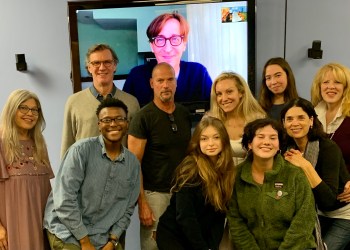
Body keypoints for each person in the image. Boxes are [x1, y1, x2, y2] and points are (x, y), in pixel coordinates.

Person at [44, 98, 140, 249]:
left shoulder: (133, 164)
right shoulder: (80, 151)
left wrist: (113, 241)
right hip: (67, 231)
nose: (113, 124)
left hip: (103, 235)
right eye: (107, 120)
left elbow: (127, 209)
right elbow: (64, 201)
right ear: (99, 125)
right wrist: (85, 241)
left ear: (127, 124)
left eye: (119, 119)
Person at [127, 62, 192, 250]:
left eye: (170, 79)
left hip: (181, 194)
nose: (165, 85)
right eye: (160, 80)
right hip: (154, 196)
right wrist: (143, 204)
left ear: (176, 83)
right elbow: (133, 165)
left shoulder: (183, 114)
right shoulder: (143, 117)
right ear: (151, 83)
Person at [227, 118, 317, 249]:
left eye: (273, 138)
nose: (267, 142)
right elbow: (236, 222)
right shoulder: (236, 176)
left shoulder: (294, 175)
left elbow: (304, 221)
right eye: (260, 136)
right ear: (249, 143)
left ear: (279, 145)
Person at [156, 116, 235, 250]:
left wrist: (212, 246)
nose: (210, 144)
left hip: (200, 238)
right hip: (174, 237)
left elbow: (219, 217)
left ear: (224, 141)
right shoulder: (190, 169)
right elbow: (185, 217)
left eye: (216, 137)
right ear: (197, 142)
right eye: (204, 139)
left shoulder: (226, 170)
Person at [281, 98, 350, 250]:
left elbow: (328, 200)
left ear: (311, 120)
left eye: (301, 118)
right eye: (289, 119)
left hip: (343, 214)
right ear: (284, 123)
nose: (295, 123)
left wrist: (305, 165)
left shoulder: (327, 148)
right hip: (314, 213)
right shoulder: (286, 148)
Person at [61, 43, 140, 157]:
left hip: (120, 173)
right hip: (85, 173)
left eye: (107, 62)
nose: (102, 67)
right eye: (96, 63)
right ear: (89, 67)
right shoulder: (74, 102)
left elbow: (135, 149)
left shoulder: (131, 103)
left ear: (115, 66)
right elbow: (67, 146)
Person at [0, 89, 54, 250]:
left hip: (43, 224)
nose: (30, 113)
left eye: (35, 109)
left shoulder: (39, 143)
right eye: (23, 108)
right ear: (12, 109)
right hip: (12, 226)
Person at [122, 12, 212, 107]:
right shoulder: (136, 77)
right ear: (152, 46)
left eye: (175, 39)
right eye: (160, 40)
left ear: (184, 44)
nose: (168, 49)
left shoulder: (198, 74)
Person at [209, 71, 266, 166]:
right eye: (219, 94)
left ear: (241, 92)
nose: (224, 98)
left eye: (229, 92)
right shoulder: (211, 121)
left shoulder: (259, 121)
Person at [311, 62, 350, 173]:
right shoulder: (311, 116)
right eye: (326, 82)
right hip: (316, 185)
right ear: (319, 87)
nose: (331, 87)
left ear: (345, 87)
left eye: (337, 82)